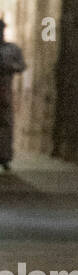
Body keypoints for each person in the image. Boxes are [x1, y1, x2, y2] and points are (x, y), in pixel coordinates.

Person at [0, 19, 25, 172]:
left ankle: (4, 156)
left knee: (5, 124)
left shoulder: (12, 49)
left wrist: (9, 67)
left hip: (4, 91)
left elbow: (21, 66)